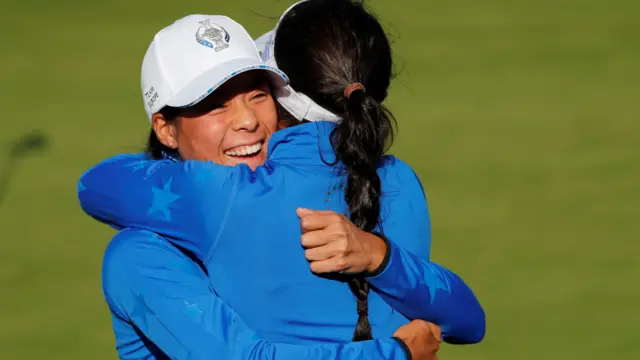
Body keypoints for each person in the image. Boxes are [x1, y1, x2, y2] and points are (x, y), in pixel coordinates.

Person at [79, 2, 484, 359]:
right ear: (166, 128)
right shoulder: (143, 251)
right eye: (215, 105)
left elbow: (97, 184)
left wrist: (379, 256)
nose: (247, 120)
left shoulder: (223, 200)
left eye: (258, 95)